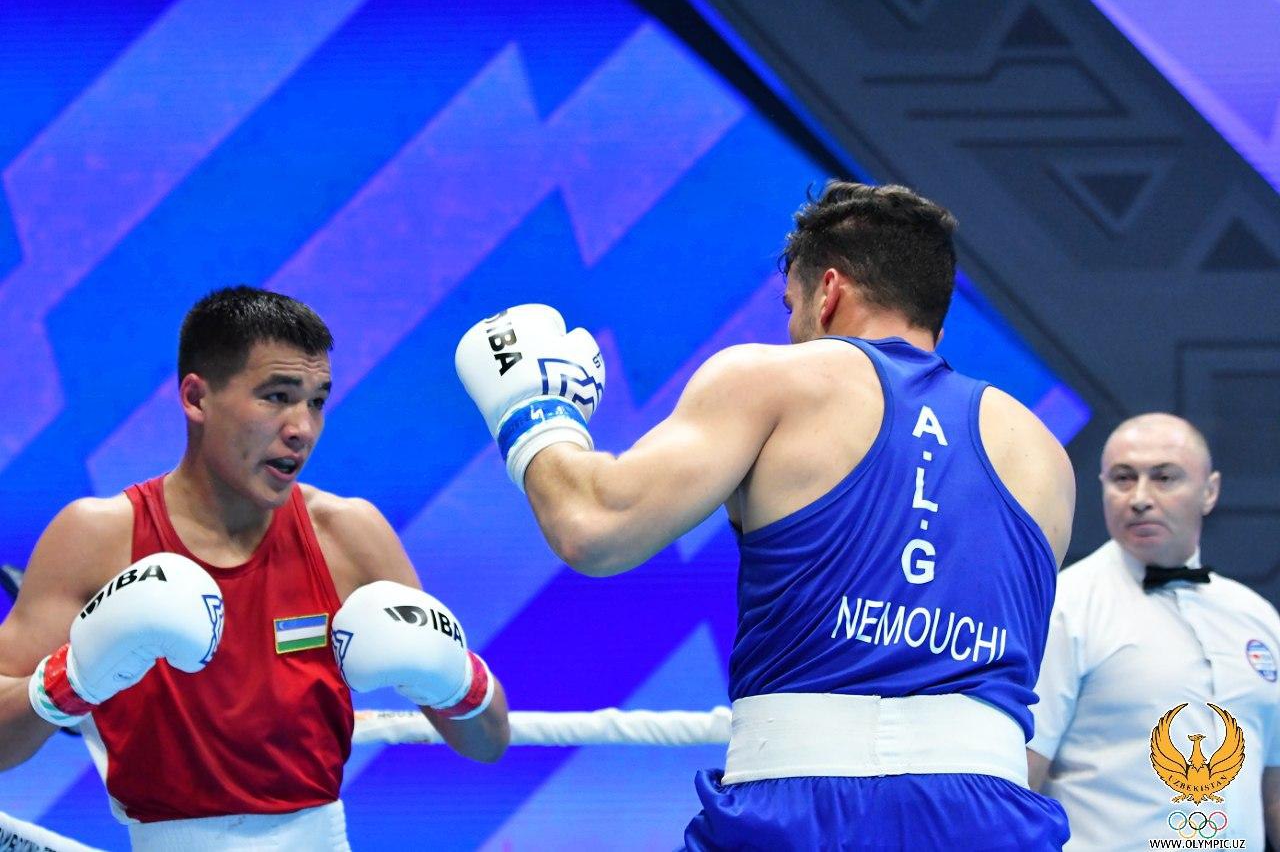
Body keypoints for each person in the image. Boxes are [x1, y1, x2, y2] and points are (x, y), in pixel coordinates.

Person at [456, 181, 1075, 849]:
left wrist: (535, 416)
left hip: (803, 807)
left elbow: (592, 525)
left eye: (791, 306)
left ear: (827, 291)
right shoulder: (1043, 455)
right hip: (991, 818)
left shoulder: (775, 381)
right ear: (936, 318)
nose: (790, 328)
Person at [0, 287, 509, 850]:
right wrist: (73, 678)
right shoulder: (98, 538)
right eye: (277, 397)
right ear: (196, 398)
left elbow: (488, 741)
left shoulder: (348, 535)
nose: (302, 428)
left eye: (316, 401)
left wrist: (454, 676)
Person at [1028, 413, 1280, 849]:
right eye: (1123, 479)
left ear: (1210, 491)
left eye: (1164, 478)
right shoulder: (1064, 607)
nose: (1140, 498)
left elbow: (1273, 788)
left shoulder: (1257, 617)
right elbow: (1022, 778)